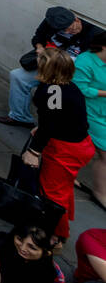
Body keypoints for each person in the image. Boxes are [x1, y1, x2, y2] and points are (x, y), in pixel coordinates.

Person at [25, 47, 94, 244]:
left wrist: (33, 151)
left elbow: (50, 123)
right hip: (81, 145)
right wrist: (42, 127)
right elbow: (60, 117)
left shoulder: (49, 91)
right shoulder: (70, 87)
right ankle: (60, 224)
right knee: (63, 187)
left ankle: (55, 235)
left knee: (53, 192)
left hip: (65, 150)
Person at [0, 7, 103, 129]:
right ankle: (20, 117)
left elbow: (92, 62)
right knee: (17, 76)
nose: (69, 32)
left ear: (76, 20)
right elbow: (38, 37)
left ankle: (49, 128)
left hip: (70, 72)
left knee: (52, 96)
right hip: (49, 64)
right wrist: (40, 48)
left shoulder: (95, 33)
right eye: (65, 30)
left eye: (71, 28)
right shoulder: (51, 22)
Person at [72, 35, 106, 208]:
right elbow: (79, 88)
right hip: (88, 112)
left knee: (86, 148)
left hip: (103, 112)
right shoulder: (85, 61)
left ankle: (70, 175)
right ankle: (100, 193)